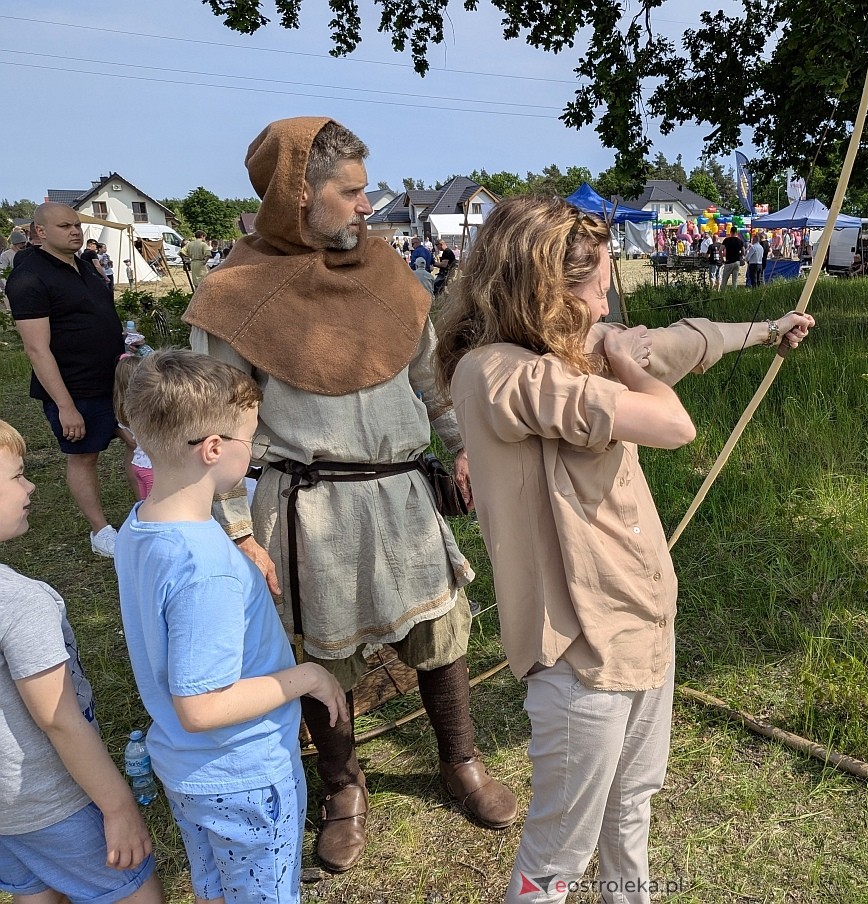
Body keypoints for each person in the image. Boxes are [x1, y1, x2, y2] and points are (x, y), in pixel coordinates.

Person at [435, 196, 815, 904]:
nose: (607, 296)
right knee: (555, 856)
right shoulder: (497, 374)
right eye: (597, 283)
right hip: (579, 652)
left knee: (631, 803)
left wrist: (768, 329)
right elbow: (672, 423)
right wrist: (619, 355)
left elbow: (678, 342)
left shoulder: (575, 354)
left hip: (642, 621)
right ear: (546, 288)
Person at [182, 117, 517, 874]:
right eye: (352, 191)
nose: (369, 205)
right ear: (299, 196)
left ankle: (459, 761)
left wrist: (460, 448)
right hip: (307, 507)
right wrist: (237, 529)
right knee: (320, 656)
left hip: (401, 494)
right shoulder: (235, 295)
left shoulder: (390, 274)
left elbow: (430, 382)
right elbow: (215, 424)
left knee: (440, 630)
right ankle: (342, 786)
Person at [114, 350, 347, 904]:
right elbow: (203, 706)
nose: (255, 450)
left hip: (187, 769)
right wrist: (307, 677)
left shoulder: (139, 525)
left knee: (216, 889)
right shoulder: (205, 569)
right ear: (214, 448)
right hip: (242, 773)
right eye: (250, 440)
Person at [0, 417, 164, 904]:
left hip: (6, 814)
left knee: (35, 889)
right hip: (50, 800)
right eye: (15, 476)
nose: (31, 485)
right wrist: (117, 808)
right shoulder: (20, 603)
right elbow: (60, 720)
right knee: (136, 892)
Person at [6, 203, 126, 557]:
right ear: (40, 232)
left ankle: (155, 514)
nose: (76, 231)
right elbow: (37, 348)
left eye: (77, 225)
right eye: (65, 226)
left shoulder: (86, 265)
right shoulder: (29, 277)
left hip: (116, 380)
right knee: (85, 456)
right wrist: (65, 407)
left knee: (143, 443)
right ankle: (100, 530)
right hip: (76, 387)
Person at [113, 355, 154, 500]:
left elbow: (131, 439)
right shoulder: (147, 411)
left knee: (144, 503)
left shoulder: (122, 410)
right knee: (156, 506)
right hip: (152, 466)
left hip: (137, 464)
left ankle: (139, 521)